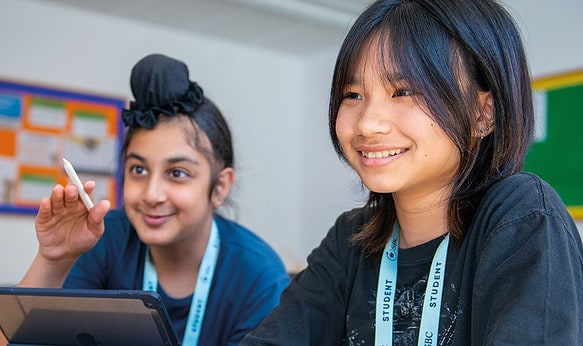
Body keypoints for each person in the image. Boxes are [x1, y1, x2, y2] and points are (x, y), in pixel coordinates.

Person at [242, 0, 583, 345]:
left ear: (484, 114)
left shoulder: (521, 214)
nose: (367, 123)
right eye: (353, 94)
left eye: (403, 91)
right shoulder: (351, 239)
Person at [18, 53, 290, 345]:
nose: (151, 194)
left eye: (177, 173)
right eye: (139, 169)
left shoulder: (258, 275)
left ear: (220, 187)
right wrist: (54, 258)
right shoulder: (104, 240)